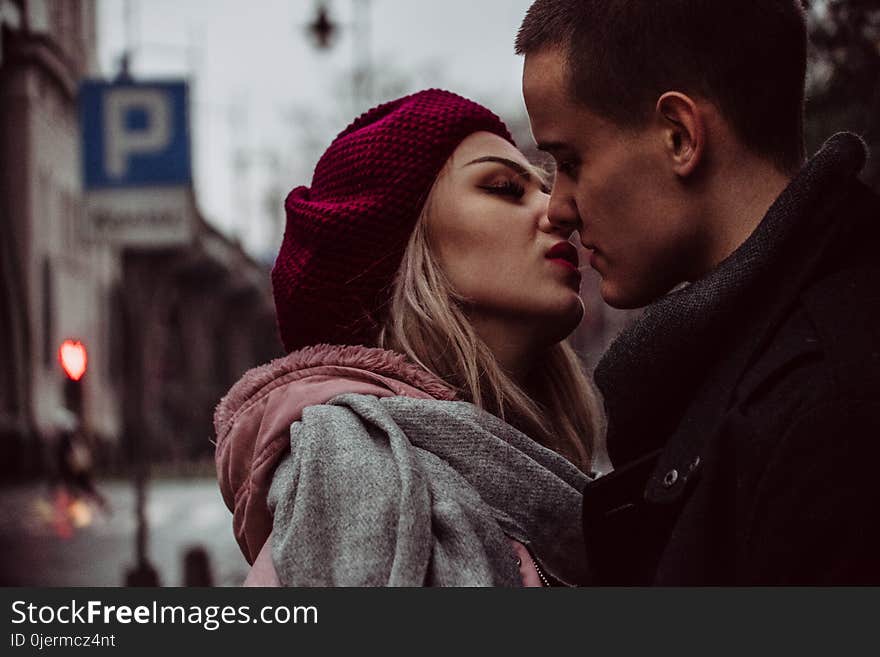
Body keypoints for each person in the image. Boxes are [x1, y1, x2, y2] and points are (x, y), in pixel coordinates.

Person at [516, 0, 880, 584]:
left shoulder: (831, 412)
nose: (558, 207)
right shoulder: (785, 370)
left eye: (571, 161)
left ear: (680, 136)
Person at [213, 89, 604, 586]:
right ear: (405, 250)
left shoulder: (528, 477)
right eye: (505, 188)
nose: (559, 212)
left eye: (545, 187)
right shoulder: (358, 479)